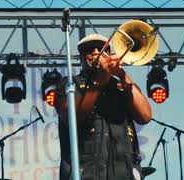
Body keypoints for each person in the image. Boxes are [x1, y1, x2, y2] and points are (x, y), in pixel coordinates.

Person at [55, 33, 152, 180]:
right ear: (81, 57)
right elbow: (72, 118)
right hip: (86, 173)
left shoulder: (121, 85)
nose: (96, 52)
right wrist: (99, 82)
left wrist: (121, 73)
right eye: (89, 49)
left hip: (124, 173)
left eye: (101, 48)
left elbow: (145, 116)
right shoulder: (69, 84)